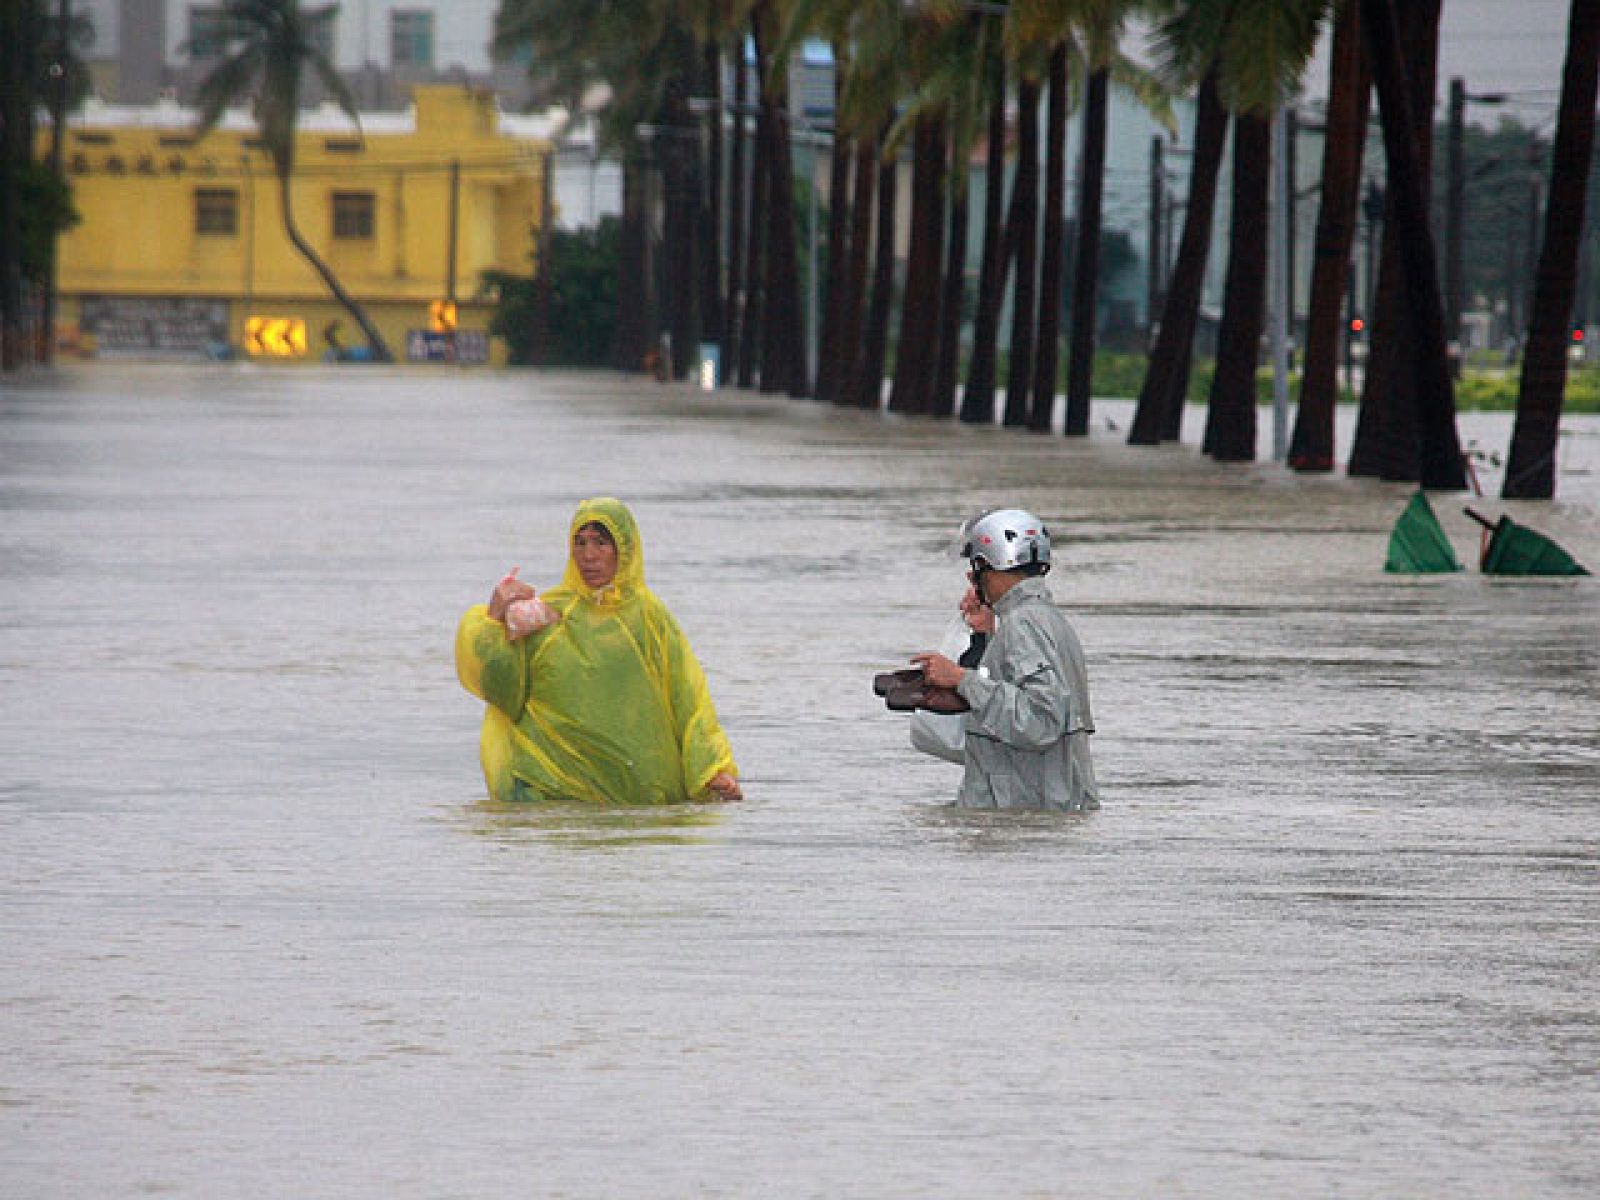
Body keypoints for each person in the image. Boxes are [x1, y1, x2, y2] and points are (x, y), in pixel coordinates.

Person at [455, 497, 742, 804]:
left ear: (625, 549)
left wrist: (713, 770)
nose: (588, 556)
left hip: (636, 796)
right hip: (552, 787)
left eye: (601, 543)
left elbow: (689, 698)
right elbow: (499, 685)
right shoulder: (546, 615)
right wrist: (493, 616)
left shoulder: (650, 618)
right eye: (580, 543)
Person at [910, 508, 1099, 811]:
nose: (972, 577)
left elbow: (1040, 721)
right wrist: (979, 651)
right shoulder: (1044, 620)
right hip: (1038, 812)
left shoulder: (1024, 625)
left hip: (1024, 820)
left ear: (989, 564)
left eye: (976, 567)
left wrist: (961, 679)